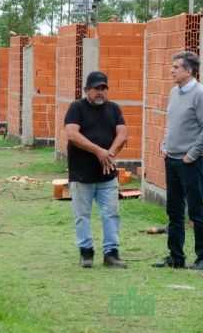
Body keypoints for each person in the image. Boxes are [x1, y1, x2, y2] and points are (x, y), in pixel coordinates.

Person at [153, 51, 203, 270]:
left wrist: (193, 153)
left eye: (176, 67)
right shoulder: (174, 92)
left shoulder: (201, 94)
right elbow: (172, 122)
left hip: (191, 161)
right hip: (172, 159)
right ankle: (176, 257)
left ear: (189, 70)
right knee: (174, 210)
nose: (172, 70)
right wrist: (164, 144)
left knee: (196, 210)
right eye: (172, 66)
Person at [64, 71, 128, 269]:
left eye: (103, 88)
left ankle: (111, 254)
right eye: (96, 89)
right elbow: (72, 134)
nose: (100, 92)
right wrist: (98, 151)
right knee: (82, 215)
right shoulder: (76, 108)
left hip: (107, 175)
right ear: (86, 90)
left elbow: (123, 134)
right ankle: (86, 252)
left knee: (111, 214)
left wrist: (109, 153)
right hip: (82, 174)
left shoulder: (114, 109)